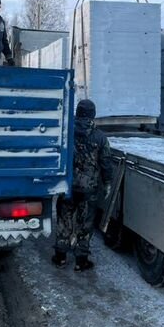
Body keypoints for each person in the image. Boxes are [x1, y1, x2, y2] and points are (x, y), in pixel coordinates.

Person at [52, 99, 113, 272]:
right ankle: (81, 260)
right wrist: (107, 182)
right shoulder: (100, 137)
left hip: (67, 187)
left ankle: (60, 257)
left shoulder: (66, 131)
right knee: (85, 224)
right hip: (89, 189)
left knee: (64, 221)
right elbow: (106, 162)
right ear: (93, 114)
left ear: (77, 112)